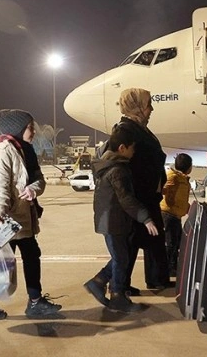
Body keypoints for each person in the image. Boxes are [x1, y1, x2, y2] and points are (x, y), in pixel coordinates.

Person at [0, 109, 62, 320]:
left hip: (24, 216)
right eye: (30, 127)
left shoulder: (27, 150)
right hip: (6, 218)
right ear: (17, 129)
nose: (33, 131)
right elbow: (0, 186)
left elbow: (39, 179)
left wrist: (33, 189)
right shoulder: (3, 151)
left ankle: (35, 301)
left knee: (31, 255)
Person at [84, 125, 159, 313]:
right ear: (122, 148)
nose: (134, 152)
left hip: (109, 220)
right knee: (121, 258)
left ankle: (99, 281)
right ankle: (117, 296)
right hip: (113, 221)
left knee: (121, 257)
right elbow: (126, 199)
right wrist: (146, 218)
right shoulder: (118, 170)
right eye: (132, 148)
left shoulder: (106, 165)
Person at [116, 88, 171, 293]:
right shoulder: (125, 130)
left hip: (148, 194)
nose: (151, 109)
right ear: (136, 106)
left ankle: (156, 278)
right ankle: (116, 284)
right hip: (139, 196)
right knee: (134, 242)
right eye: (148, 104)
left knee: (152, 239)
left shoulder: (138, 128)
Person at [160, 153, 193, 277]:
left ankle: (173, 265)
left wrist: (187, 207)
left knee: (177, 241)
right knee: (171, 242)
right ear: (189, 167)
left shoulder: (182, 178)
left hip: (176, 215)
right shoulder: (173, 177)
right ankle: (169, 267)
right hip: (169, 214)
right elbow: (163, 189)